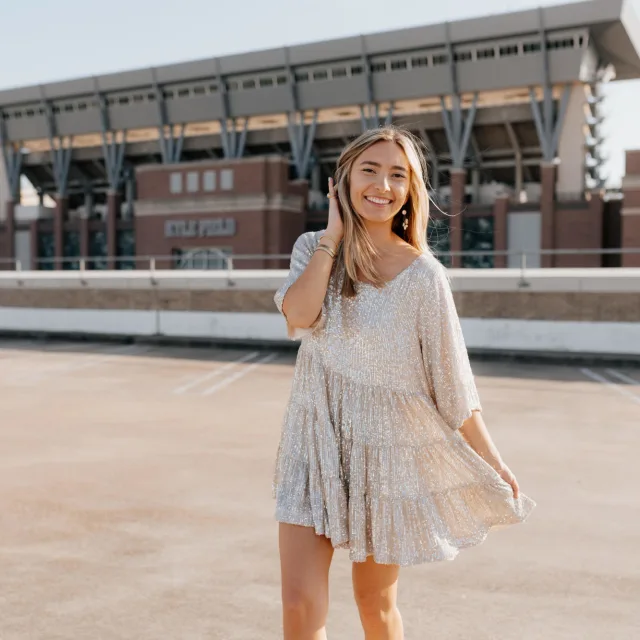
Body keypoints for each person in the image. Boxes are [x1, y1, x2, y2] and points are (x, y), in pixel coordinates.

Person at [273, 126, 535, 640]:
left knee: (375, 605)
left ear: (411, 189)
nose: (383, 185)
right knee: (300, 606)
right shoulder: (313, 249)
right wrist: (332, 238)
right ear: (342, 180)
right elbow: (300, 315)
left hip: (387, 456)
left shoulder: (424, 276)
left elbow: (453, 385)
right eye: (370, 169)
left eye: (398, 174)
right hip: (313, 444)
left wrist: (495, 461)